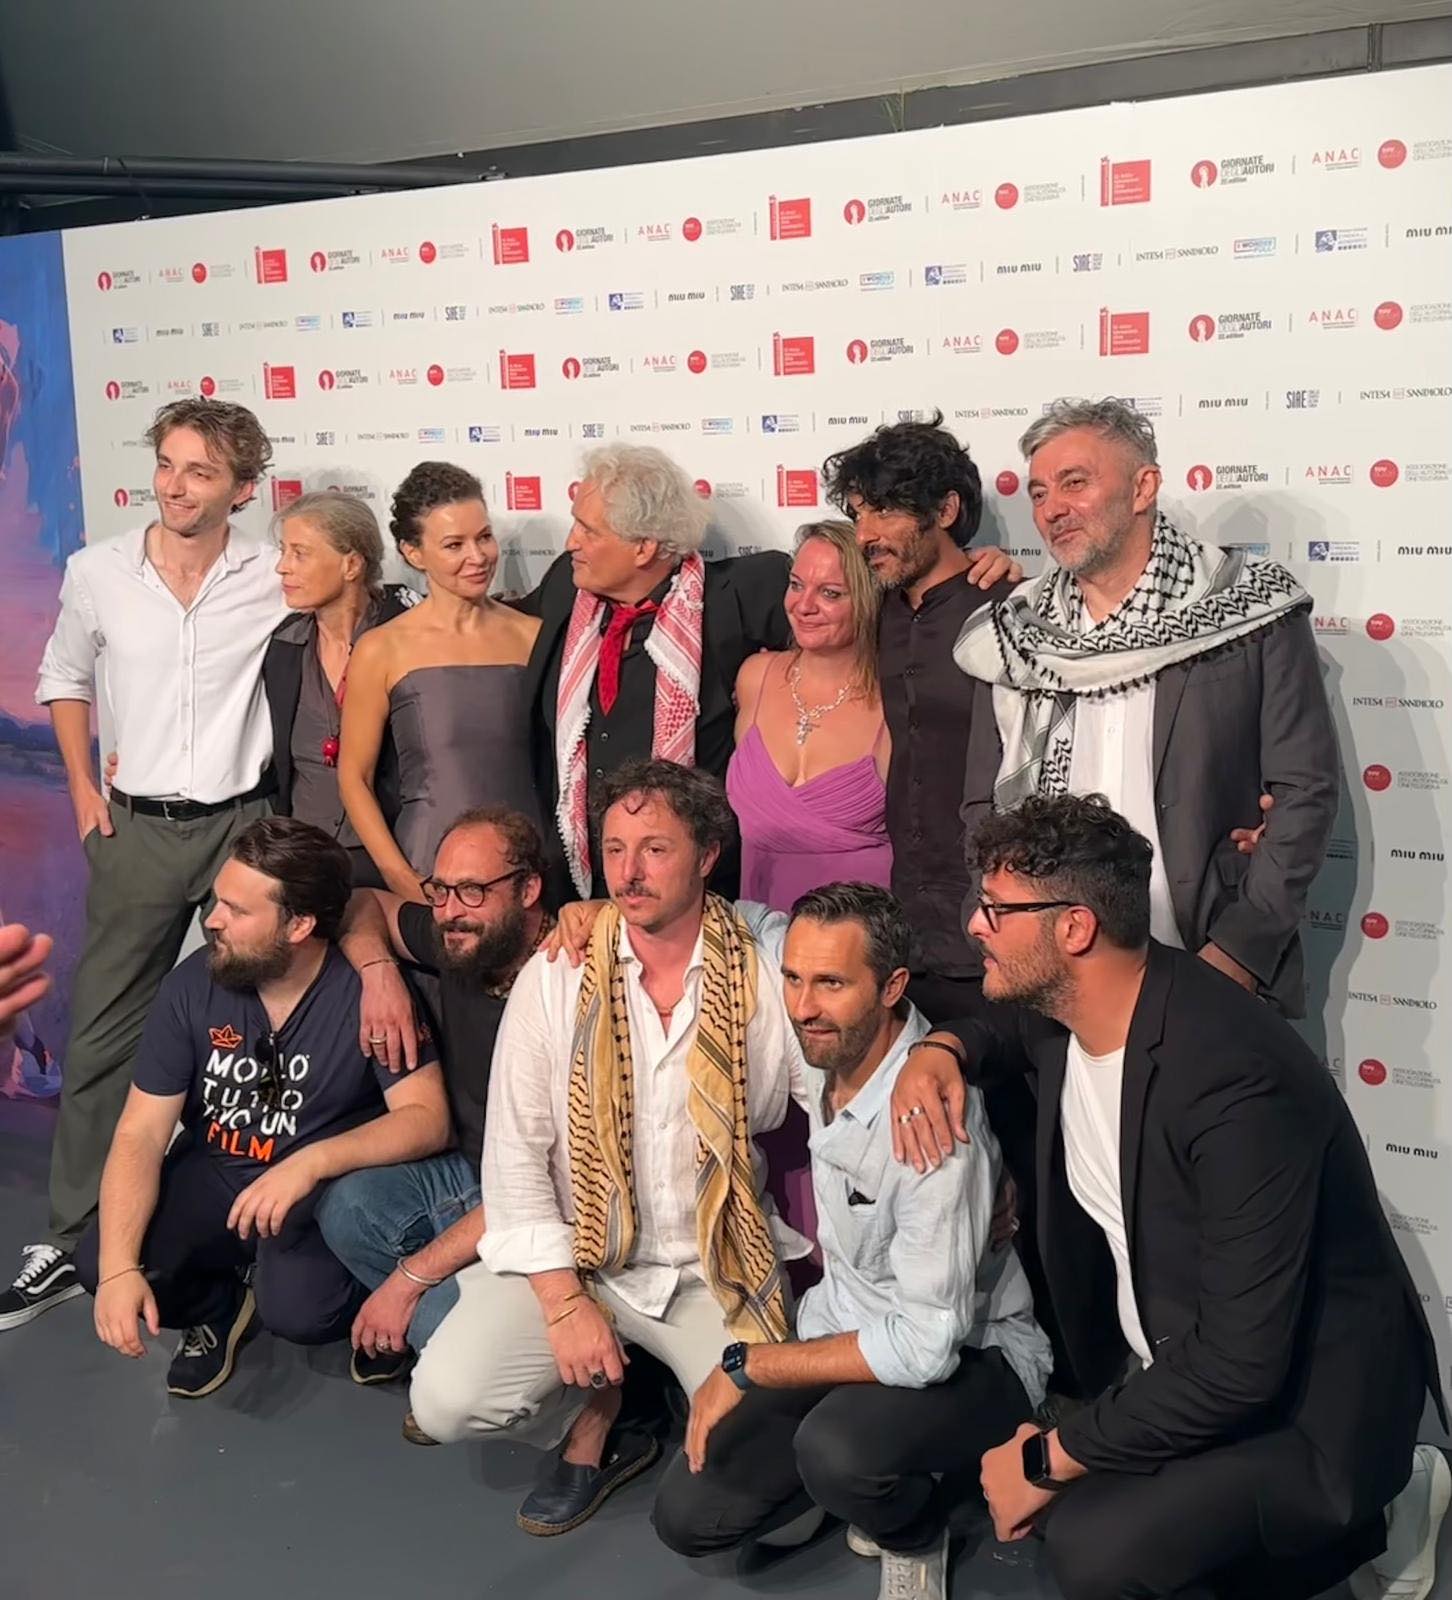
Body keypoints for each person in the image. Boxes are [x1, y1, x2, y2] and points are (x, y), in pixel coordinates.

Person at [890, 794, 1447, 1600]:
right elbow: (998, 1031)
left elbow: (1240, 1365)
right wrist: (939, 1049)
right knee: (1075, 1522)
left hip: (1302, 1406)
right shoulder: (1069, 1013)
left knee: (1095, 1550)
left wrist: (1050, 1455)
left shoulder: (1232, 1080)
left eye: (997, 910)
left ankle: (1391, 1505)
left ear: (1074, 928)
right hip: (1177, 1358)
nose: (975, 925)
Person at [407, 760, 812, 1536]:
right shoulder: (558, 973)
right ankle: (597, 1410)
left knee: (765, 1488)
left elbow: (839, 1094)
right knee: (446, 1400)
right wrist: (564, 1305)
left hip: (711, 1264)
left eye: (655, 849)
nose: (629, 872)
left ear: (707, 855)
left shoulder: (764, 966)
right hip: (582, 1258)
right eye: (615, 849)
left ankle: (663, 1397)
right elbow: (516, 1156)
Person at [652, 882, 1052, 1600]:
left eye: (831, 983)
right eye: (794, 978)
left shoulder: (933, 1126)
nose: (803, 1006)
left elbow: (926, 1346)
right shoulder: (827, 1039)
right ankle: (855, 1481)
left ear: (892, 987)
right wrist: (587, 913)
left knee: (837, 1452)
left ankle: (915, 1528)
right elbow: (740, 917)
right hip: (844, 1331)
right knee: (687, 1516)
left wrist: (750, 1365)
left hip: (974, 1355)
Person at [7, 398, 287, 1331]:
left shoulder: (272, 574)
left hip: (244, 827)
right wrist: (81, 790)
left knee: (260, 1029)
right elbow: (63, 677)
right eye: (167, 464)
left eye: (200, 471)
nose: (175, 485)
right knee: (103, 1032)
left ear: (242, 489)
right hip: (135, 828)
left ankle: (245, 1237)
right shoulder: (97, 571)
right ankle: (72, 1233)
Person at [954, 396, 1338, 1016]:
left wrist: (1238, 952)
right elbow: (982, 804)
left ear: (1143, 488)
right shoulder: (1016, 634)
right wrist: (1002, 920)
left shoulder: (1249, 610)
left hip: (1204, 957)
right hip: (1050, 969)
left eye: (1075, 483)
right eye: (1039, 492)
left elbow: (1305, 791)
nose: (1053, 508)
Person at [73, 817, 450, 1398]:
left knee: (303, 1315)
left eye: (236, 909)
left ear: (299, 925)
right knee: (101, 1263)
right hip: (220, 1169)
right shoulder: (191, 986)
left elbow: (428, 1118)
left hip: (319, 1190)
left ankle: (367, 1309)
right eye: (217, 901)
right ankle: (218, 1307)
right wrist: (121, 1269)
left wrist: (311, 1163)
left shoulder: (368, 995)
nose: (212, 920)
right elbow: (141, 1132)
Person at [319, 807, 553, 1420]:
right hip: (472, 1174)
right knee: (348, 1206)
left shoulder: (569, 982)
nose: (450, 911)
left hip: (548, 1202)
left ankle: (567, 1397)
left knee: (432, 1322)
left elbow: (549, 1189)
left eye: (472, 890)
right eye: (440, 890)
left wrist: (408, 1281)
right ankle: (469, 1332)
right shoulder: (460, 940)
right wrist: (379, 973)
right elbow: (364, 903)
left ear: (529, 889)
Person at [823, 411, 1018, 1026]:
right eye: (859, 514)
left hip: (997, 924)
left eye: (885, 512)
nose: (866, 534)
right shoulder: (874, 609)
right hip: (904, 933)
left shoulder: (1011, 608)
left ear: (946, 510)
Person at [338, 461, 540, 898]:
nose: (477, 557)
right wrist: (399, 876)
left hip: (530, 869)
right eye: (454, 545)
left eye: (484, 537)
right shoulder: (381, 648)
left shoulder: (533, 636)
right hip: (431, 869)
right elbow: (355, 777)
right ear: (413, 553)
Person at [726, 520, 891, 912]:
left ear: (869, 599)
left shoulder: (895, 697)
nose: (803, 606)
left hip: (861, 931)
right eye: (796, 585)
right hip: (760, 930)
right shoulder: (754, 678)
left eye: (830, 593)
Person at [264, 491, 417, 887]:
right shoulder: (283, 645)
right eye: (284, 551)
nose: (282, 567)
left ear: (351, 564)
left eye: (300, 554)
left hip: (398, 855)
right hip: (304, 861)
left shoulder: (408, 636)